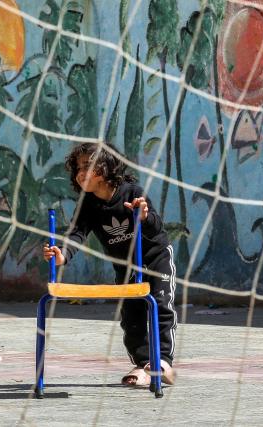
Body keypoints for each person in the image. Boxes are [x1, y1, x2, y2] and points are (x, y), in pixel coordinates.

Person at [42, 142, 177, 386]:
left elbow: (157, 226)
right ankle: (142, 363)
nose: (80, 172)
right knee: (131, 315)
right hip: (125, 265)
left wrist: (144, 216)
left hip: (155, 257)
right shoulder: (88, 204)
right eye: (77, 168)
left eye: (88, 166)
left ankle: (162, 361)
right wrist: (62, 254)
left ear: (107, 168)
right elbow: (76, 234)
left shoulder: (131, 192)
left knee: (160, 304)